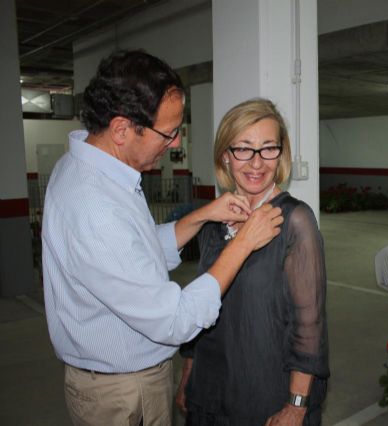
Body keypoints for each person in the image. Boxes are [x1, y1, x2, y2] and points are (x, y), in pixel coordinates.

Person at [42, 50, 283, 425]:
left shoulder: (97, 169)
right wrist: (243, 243)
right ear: (122, 129)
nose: (173, 144)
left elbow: (136, 251)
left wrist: (203, 215)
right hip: (121, 394)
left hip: (128, 381)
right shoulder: (95, 205)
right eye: (167, 133)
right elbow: (175, 320)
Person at [176, 98, 329, 425]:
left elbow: (309, 326)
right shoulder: (215, 220)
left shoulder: (295, 221)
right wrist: (189, 372)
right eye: (244, 149)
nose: (257, 163)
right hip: (209, 391)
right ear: (225, 157)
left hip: (264, 396)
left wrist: (297, 405)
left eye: (268, 148)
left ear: (281, 154)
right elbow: (203, 302)